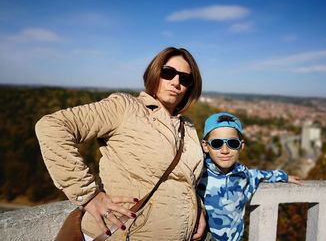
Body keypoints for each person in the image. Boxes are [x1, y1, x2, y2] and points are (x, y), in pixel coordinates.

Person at [35, 47, 206, 241]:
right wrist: (87, 195)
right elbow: (52, 126)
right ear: (154, 73)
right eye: (168, 73)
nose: (176, 82)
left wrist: (196, 207)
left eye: (185, 79)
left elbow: (185, 179)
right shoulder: (125, 107)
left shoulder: (188, 127)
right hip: (123, 235)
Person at [197, 112, 303, 241]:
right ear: (205, 146)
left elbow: (259, 175)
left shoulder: (244, 176)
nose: (225, 150)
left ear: (241, 146)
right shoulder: (198, 174)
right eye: (217, 143)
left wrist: (283, 176)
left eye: (233, 143)